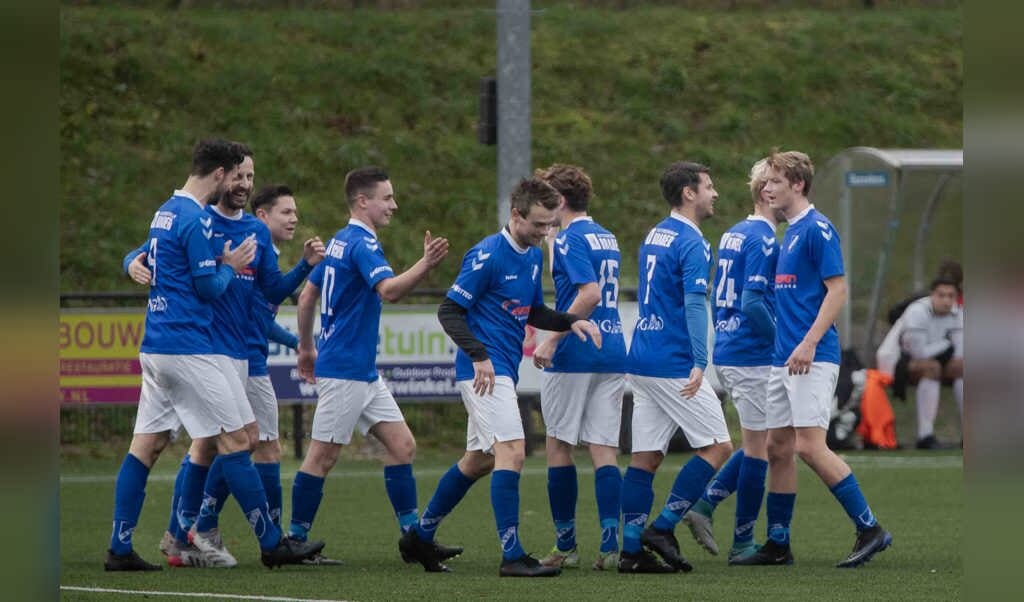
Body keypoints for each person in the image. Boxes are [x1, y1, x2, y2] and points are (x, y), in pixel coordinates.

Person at [105, 138, 324, 571]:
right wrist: (226, 265)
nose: (243, 183)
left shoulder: (167, 210)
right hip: (192, 348)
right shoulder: (195, 218)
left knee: (150, 446)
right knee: (237, 440)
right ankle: (260, 540)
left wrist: (296, 266)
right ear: (220, 175)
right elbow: (206, 287)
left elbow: (265, 288)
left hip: (161, 345)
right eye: (237, 174)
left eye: (251, 177)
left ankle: (124, 546)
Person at [400, 176, 602, 578]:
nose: (546, 232)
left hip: (502, 368)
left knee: (479, 461)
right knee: (513, 451)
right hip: (485, 373)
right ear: (515, 215)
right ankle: (512, 555)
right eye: (539, 224)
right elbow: (449, 311)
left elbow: (532, 311)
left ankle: (419, 536)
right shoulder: (487, 255)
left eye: (550, 224)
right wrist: (478, 356)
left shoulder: (529, 254)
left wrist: (571, 321)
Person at [288, 166, 456, 568]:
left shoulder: (338, 242)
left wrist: (307, 348)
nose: (394, 205)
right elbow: (390, 291)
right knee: (322, 457)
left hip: (359, 370)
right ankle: (294, 540)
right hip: (345, 370)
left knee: (402, 446)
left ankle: (412, 537)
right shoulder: (362, 244)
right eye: (387, 197)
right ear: (363, 201)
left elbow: (307, 296)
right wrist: (425, 264)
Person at [733, 150, 891, 568]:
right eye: (765, 182)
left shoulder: (818, 229)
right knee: (777, 447)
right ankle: (778, 542)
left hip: (811, 357)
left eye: (774, 181)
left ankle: (870, 527)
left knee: (809, 447)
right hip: (783, 358)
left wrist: (807, 342)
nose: (766, 188)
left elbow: (837, 290)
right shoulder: (790, 233)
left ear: (798, 185)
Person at [617, 161, 734, 574]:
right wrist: (701, 360)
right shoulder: (693, 242)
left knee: (645, 459)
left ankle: (630, 552)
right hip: (672, 361)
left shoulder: (656, 233)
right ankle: (663, 527)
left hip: (643, 355)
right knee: (719, 447)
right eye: (709, 185)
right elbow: (693, 303)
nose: (715, 193)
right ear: (689, 193)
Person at [681, 158, 781, 564]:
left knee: (767, 441)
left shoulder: (735, 233)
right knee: (760, 448)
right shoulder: (763, 238)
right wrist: (785, 342)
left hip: (730, 345)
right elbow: (752, 302)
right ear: (765, 193)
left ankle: (706, 505)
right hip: (751, 351)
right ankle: (742, 541)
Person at [529, 164, 627, 571]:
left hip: (575, 351)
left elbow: (588, 293)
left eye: (549, 199)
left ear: (562, 201)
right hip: (613, 347)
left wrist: (552, 337)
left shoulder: (568, 238)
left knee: (558, 445)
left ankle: (566, 545)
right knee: (604, 448)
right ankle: (609, 546)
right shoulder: (605, 234)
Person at [875, 274, 963, 449]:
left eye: (950, 296)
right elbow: (919, 353)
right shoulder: (917, 311)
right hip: (898, 362)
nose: (946, 300)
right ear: (932, 295)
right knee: (932, 368)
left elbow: (960, 352)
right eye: (941, 295)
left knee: (963, 367)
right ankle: (925, 435)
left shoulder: (959, 313)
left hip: (937, 361)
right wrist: (946, 344)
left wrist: (950, 349)